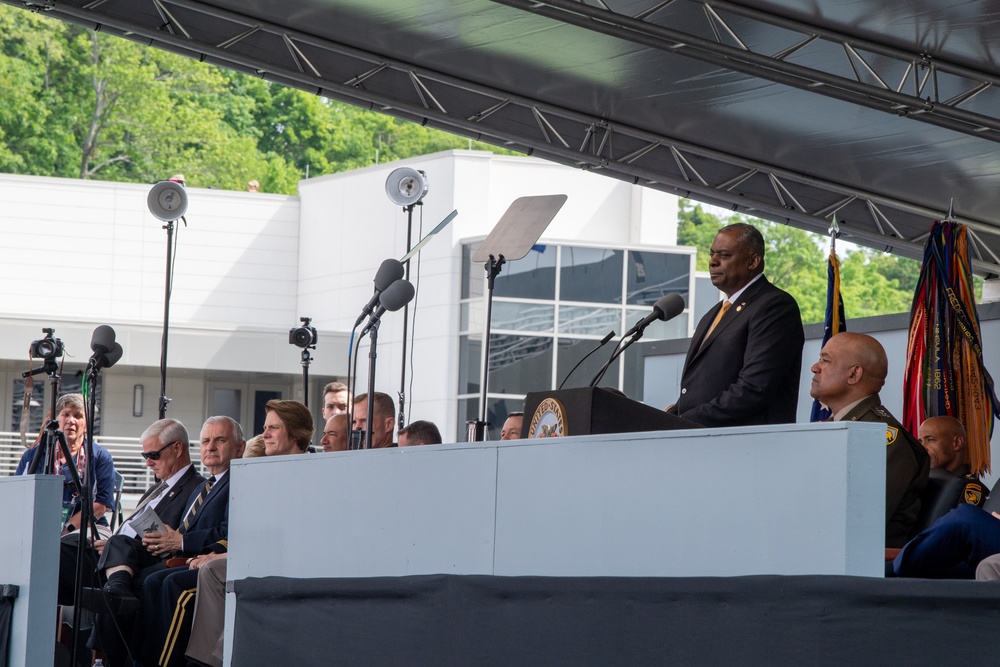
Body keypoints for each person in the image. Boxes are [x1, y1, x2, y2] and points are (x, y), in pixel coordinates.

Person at [666, 223, 804, 427]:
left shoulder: (774, 306)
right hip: (705, 440)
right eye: (712, 254)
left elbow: (754, 388)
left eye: (724, 255)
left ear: (753, 261)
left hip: (748, 445)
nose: (713, 262)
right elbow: (704, 386)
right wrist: (674, 413)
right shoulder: (713, 314)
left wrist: (686, 420)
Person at [809, 332, 929, 548]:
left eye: (825, 360)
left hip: (862, 563)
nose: (815, 367)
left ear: (854, 375)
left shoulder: (882, 438)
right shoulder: (837, 426)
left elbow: (860, 521)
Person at [17, 393, 117, 537]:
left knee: (71, 547)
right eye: (66, 414)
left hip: (87, 526)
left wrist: (66, 529)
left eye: (78, 416)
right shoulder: (34, 455)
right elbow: (19, 495)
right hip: (41, 524)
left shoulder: (100, 457)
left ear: (87, 424)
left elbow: (101, 505)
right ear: (57, 419)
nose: (71, 420)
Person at [918, 415, 986, 506]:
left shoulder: (969, 489)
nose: (922, 448)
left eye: (930, 440)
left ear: (957, 443)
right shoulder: (925, 484)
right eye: (920, 442)